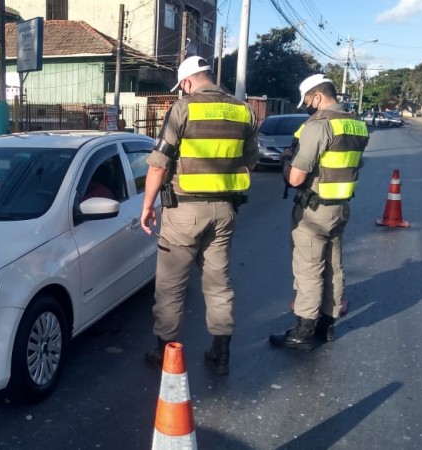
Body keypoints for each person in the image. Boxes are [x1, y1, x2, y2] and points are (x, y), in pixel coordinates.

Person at [140, 56, 258, 375]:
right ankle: (221, 354)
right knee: (218, 283)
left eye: (182, 87)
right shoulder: (243, 110)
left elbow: (158, 164)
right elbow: (251, 161)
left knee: (171, 286)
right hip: (225, 211)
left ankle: (165, 352)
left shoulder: (183, 108)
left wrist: (148, 206)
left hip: (184, 212)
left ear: (187, 82)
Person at [269, 74, 369, 350]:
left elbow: (296, 178)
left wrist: (287, 161)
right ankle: (326, 327)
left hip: (314, 210)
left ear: (317, 96)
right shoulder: (357, 124)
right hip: (340, 207)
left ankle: (303, 331)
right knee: (333, 267)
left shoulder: (319, 125)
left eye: (307, 101)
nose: (307, 107)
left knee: (309, 269)